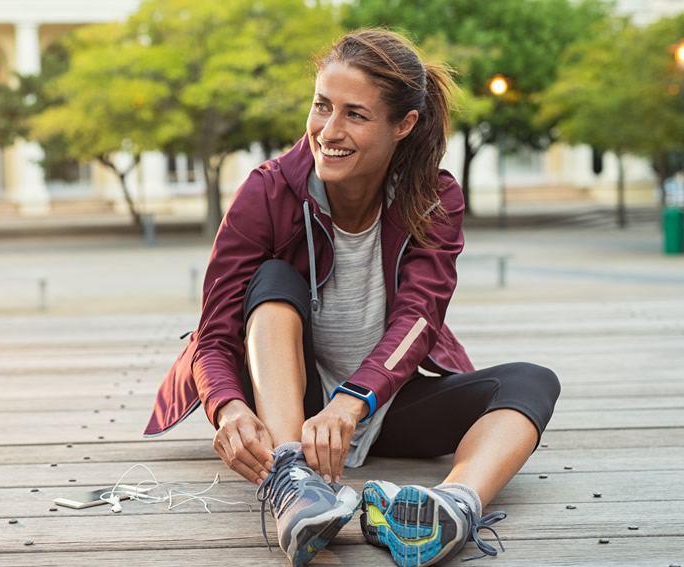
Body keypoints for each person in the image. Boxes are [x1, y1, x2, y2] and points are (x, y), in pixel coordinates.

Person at [145, 28, 560, 567]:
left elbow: (419, 318)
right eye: (322, 106)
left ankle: (453, 507)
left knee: (532, 381)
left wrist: (354, 399)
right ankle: (292, 482)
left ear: (403, 125)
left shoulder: (435, 198)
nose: (328, 131)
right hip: (293, 411)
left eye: (355, 115)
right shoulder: (267, 191)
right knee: (272, 279)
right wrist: (228, 407)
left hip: (379, 402)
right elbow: (215, 333)